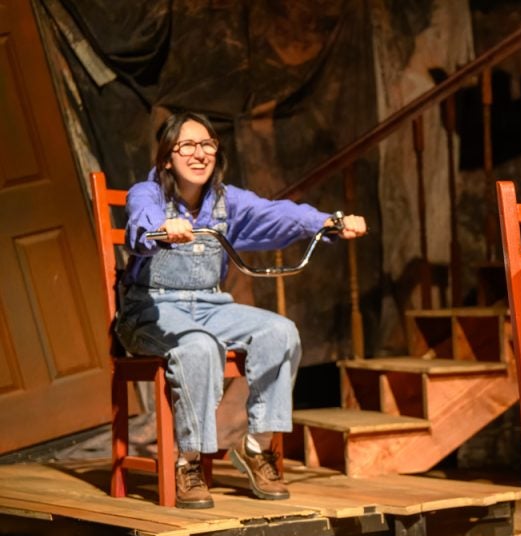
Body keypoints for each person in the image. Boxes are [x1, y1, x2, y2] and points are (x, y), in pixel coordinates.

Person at [118, 111, 366, 509]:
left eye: (207, 145)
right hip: (151, 308)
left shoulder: (225, 201)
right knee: (198, 347)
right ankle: (189, 462)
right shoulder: (148, 194)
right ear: (167, 157)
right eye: (187, 146)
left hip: (210, 305)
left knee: (280, 332)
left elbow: (279, 213)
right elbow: (139, 224)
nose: (199, 154)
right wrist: (162, 231)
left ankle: (256, 447)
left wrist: (330, 221)